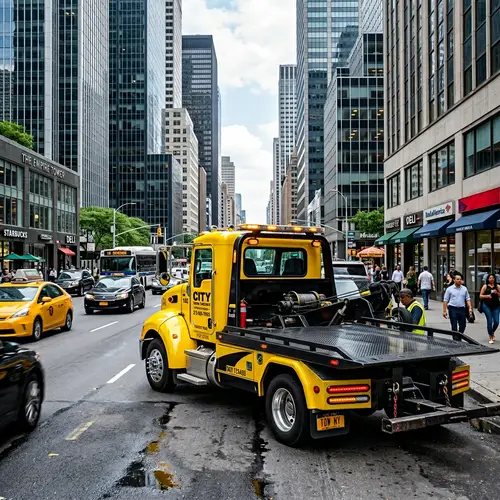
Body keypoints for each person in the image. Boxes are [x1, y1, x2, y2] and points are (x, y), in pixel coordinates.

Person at [479, 273, 500, 344]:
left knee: (496, 321)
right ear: (488, 279)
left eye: (493, 278)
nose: (491, 279)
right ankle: (491, 336)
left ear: (494, 279)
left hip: (496, 305)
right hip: (486, 305)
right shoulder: (485, 286)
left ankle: (492, 331)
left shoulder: (497, 286)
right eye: (490, 278)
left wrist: (497, 293)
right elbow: (481, 296)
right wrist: (487, 296)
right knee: (490, 321)